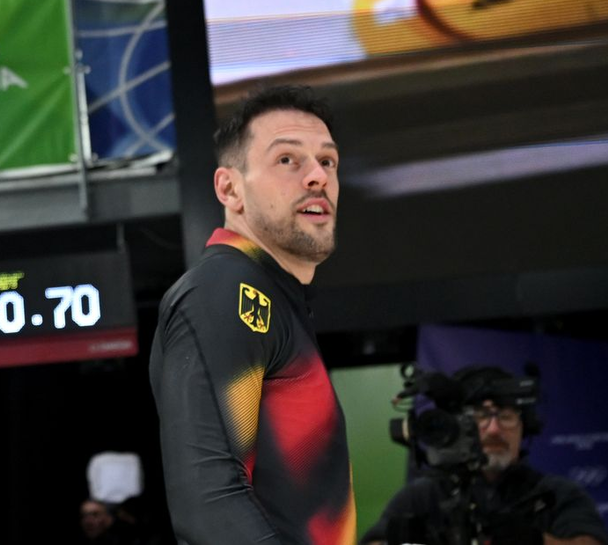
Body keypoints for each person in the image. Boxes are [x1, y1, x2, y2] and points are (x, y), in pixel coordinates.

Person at [149, 84, 355, 545]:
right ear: (230, 188)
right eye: (288, 160)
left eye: (328, 161)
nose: (317, 177)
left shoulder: (271, 296)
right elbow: (211, 506)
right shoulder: (225, 291)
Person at [363, 366, 606, 545]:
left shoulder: (555, 494)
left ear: (525, 427)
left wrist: (536, 541)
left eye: (506, 416)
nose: (494, 429)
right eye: (481, 415)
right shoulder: (422, 496)